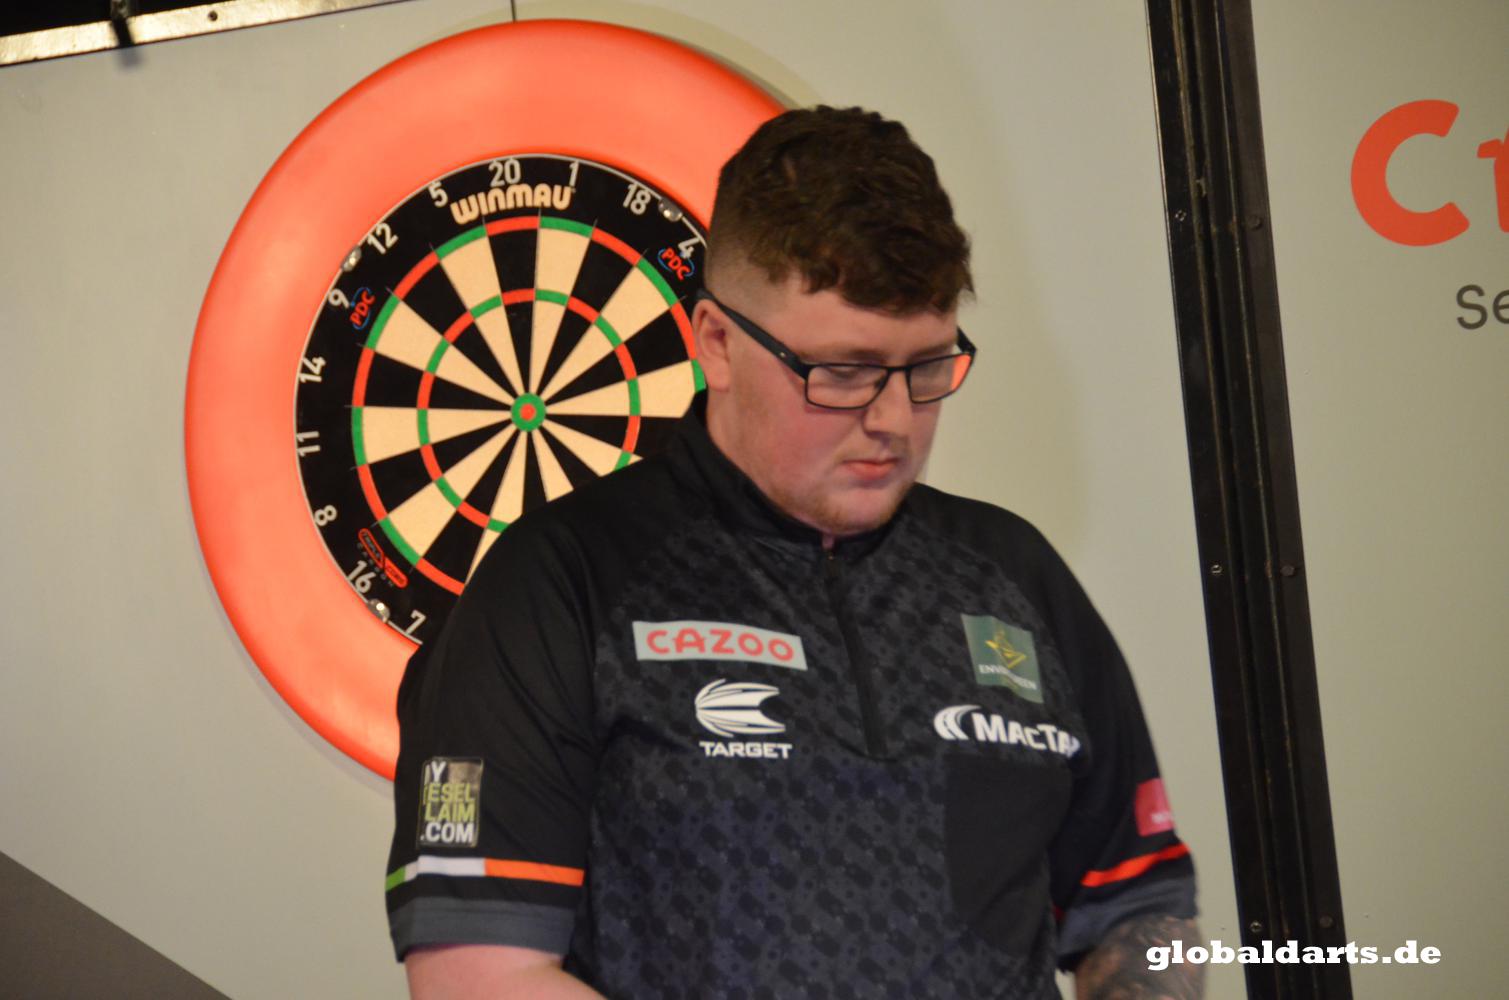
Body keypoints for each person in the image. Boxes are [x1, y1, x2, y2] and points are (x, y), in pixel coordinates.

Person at [386, 105, 1201, 999]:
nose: (893, 420)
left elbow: (1138, 913)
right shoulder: (561, 582)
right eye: (843, 372)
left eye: (927, 368)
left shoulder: (1012, 574)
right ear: (717, 343)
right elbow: (479, 975)